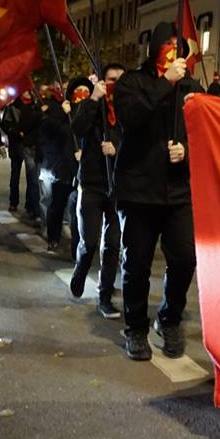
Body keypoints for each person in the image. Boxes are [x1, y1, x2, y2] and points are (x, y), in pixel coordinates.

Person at [113, 22, 203, 361]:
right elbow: (132, 117)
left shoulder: (191, 87)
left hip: (178, 192)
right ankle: (135, 326)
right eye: (165, 42)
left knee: (184, 258)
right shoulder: (132, 82)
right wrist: (166, 83)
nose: (171, 49)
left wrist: (187, 152)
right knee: (136, 263)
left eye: (176, 43)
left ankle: (169, 318)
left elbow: (205, 133)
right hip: (138, 191)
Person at [70, 63, 125, 319]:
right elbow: (77, 127)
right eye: (111, 80)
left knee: (113, 244)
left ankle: (105, 296)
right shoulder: (91, 106)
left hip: (117, 187)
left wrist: (118, 149)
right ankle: (81, 268)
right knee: (90, 241)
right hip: (91, 184)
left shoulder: (130, 108)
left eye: (120, 80)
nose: (116, 85)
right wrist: (93, 99)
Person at [39, 80, 84, 253]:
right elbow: (46, 130)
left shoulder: (92, 111)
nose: (81, 93)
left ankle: (77, 245)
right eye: (78, 90)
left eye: (85, 90)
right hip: (63, 167)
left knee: (77, 209)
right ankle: (53, 238)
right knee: (57, 205)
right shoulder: (60, 110)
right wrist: (63, 115)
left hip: (83, 168)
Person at [1, 89, 42, 224]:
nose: (28, 93)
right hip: (17, 145)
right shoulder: (13, 106)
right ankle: (14, 201)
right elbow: (6, 124)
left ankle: (31, 207)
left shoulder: (36, 106)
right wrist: (16, 132)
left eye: (30, 91)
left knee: (32, 179)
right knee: (15, 175)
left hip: (31, 145)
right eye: (25, 90)